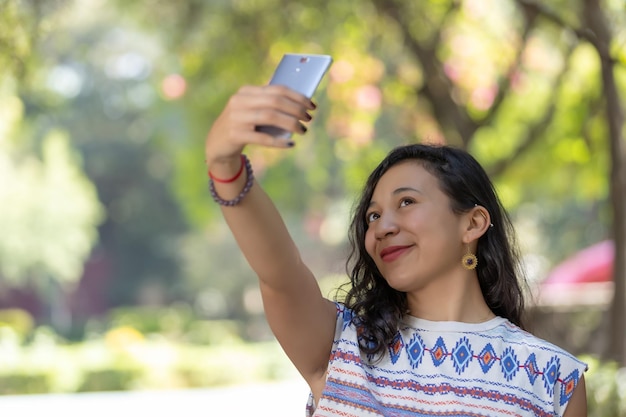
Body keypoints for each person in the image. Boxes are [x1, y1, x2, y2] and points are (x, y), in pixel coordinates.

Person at [204, 84, 588, 416]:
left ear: (472, 224)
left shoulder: (553, 377)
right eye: (372, 216)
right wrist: (225, 166)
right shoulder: (342, 346)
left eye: (406, 202)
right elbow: (281, 274)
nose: (382, 227)